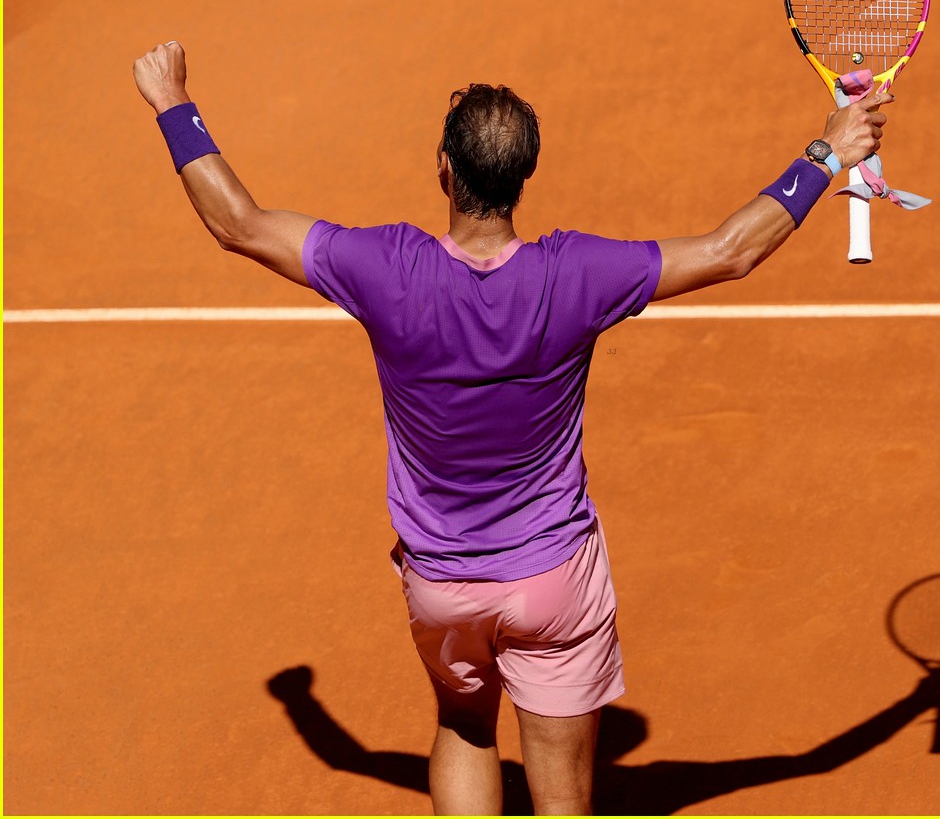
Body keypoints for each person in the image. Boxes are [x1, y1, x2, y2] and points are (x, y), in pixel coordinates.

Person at [133, 40, 891, 816]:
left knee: (464, 722)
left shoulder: (385, 268)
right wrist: (826, 151)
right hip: (554, 584)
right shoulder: (577, 275)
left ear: (444, 170)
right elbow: (732, 252)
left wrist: (172, 102)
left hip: (442, 587)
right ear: (525, 175)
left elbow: (240, 224)